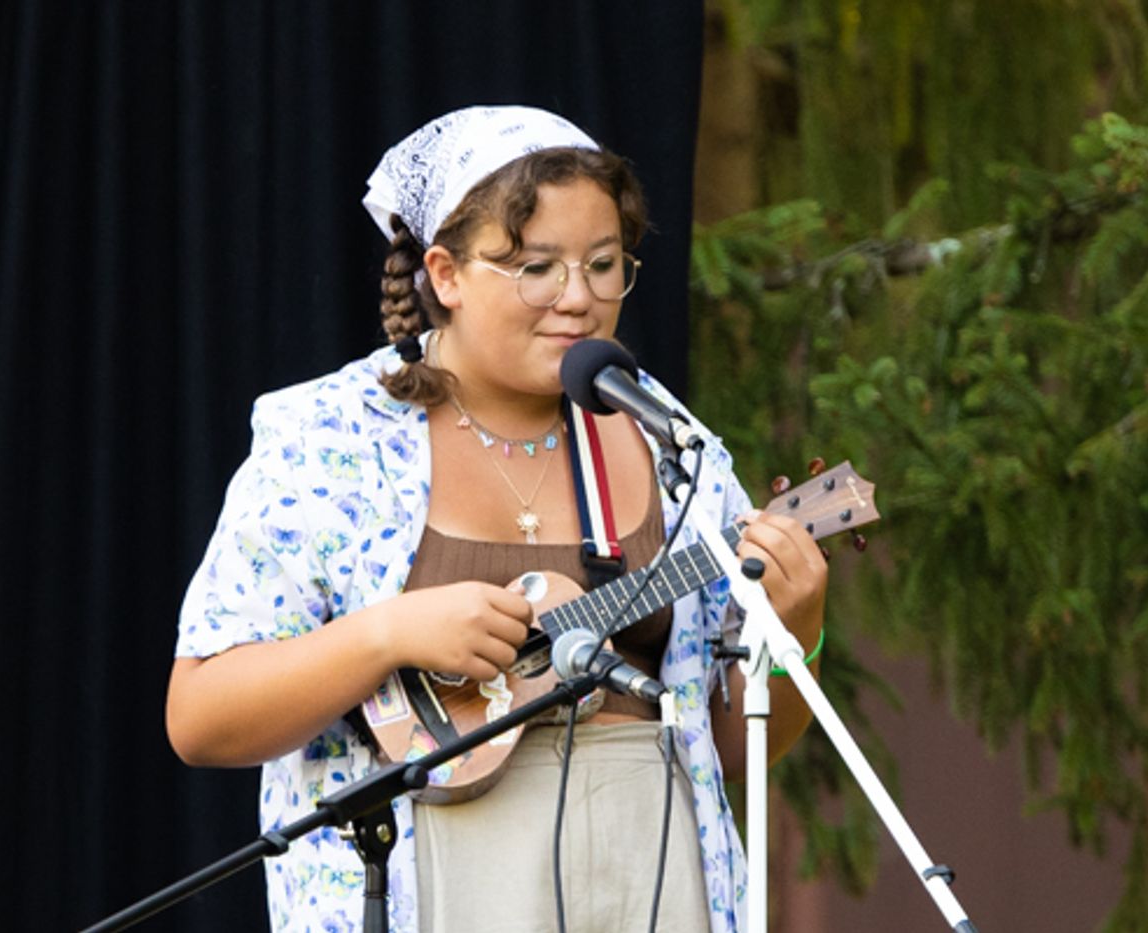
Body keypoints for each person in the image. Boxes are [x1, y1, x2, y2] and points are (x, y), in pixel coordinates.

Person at [166, 105, 827, 932]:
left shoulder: (665, 437)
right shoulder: (331, 438)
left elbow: (728, 754)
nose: (579, 299)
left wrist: (797, 631)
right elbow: (199, 716)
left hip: (648, 863)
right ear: (444, 274)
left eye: (603, 264)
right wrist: (387, 633)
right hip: (428, 869)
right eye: (537, 268)